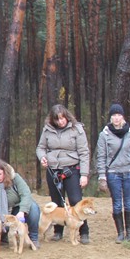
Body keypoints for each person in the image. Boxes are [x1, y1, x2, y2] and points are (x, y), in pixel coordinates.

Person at [36, 104, 91, 243]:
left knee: (76, 200)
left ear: (67, 116)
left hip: (71, 169)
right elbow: (41, 147)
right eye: (57, 119)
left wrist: (84, 174)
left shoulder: (77, 129)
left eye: (62, 118)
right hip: (53, 170)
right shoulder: (47, 130)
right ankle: (58, 231)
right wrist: (42, 157)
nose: (60, 121)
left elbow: (84, 152)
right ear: (53, 120)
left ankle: (83, 232)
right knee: (56, 202)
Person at [95, 103, 130, 243]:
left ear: (123, 116)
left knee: (128, 203)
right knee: (117, 203)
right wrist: (102, 177)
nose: (116, 118)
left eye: (119, 115)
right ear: (111, 117)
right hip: (113, 173)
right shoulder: (104, 135)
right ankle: (120, 233)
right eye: (114, 115)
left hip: (129, 172)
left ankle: (129, 232)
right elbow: (101, 157)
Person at [0, 159, 40, 248]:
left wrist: (22, 211)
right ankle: (2, 238)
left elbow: (26, 194)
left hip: (17, 207)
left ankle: (33, 238)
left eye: (0, 174)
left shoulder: (16, 178)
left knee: (33, 208)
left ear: (5, 172)